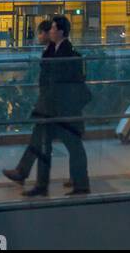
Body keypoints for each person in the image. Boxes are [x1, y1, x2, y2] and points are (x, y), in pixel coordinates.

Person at [25, 15, 91, 198]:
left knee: (70, 145)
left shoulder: (66, 54)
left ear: (61, 31)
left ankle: (75, 184)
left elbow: (60, 80)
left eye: (53, 28)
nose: (50, 31)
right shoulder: (56, 51)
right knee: (55, 145)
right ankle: (46, 184)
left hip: (61, 109)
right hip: (56, 108)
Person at [2, 19, 53, 184]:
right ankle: (23, 172)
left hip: (52, 105)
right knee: (40, 139)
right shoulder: (50, 50)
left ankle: (35, 179)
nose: (37, 36)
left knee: (65, 141)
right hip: (50, 104)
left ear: (47, 33)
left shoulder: (53, 51)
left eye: (40, 32)